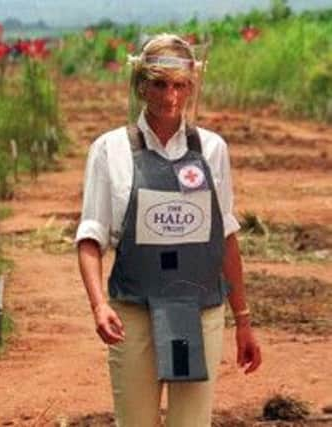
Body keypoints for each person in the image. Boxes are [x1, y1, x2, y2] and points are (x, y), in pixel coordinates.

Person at [75, 33, 261, 427]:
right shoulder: (110, 150)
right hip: (134, 312)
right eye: (159, 83)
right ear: (141, 84)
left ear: (191, 87)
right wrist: (98, 305)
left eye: (180, 85)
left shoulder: (212, 150)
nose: (170, 96)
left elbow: (225, 237)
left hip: (200, 311)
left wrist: (243, 320)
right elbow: (91, 235)